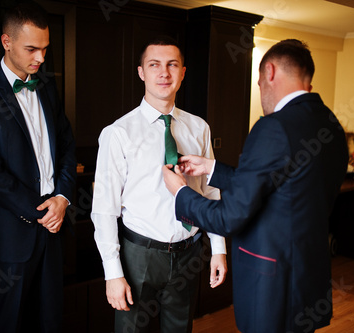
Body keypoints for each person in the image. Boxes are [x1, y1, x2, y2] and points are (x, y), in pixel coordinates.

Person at [162, 39, 348, 333]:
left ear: (270, 71)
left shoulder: (273, 126)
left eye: (259, 82)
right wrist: (212, 169)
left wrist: (181, 194)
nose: (261, 90)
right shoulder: (331, 124)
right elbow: (282, 188)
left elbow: (227, 218)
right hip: (307, 278)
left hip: (272, 284)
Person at [91, 36, 228, 333]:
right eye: (154, 65)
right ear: (141, 72)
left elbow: (210, 190)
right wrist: (112, 273)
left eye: (172, 65)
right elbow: (104, 209)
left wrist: (218, 248)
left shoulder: (199, 128)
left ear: (182, 72)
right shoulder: (118, 133)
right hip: (138, 255)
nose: (164, 73)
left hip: (189, 252)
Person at [0, 3, 76, 332]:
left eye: (45, 49)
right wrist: (40, 211)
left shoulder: (48, 86)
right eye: (31, 49)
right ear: (6, 41)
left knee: (50, 319)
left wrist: (63, 198)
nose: (40, 58)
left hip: (54, 226)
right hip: (10, 232)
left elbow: (66, 145)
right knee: (7, 323)